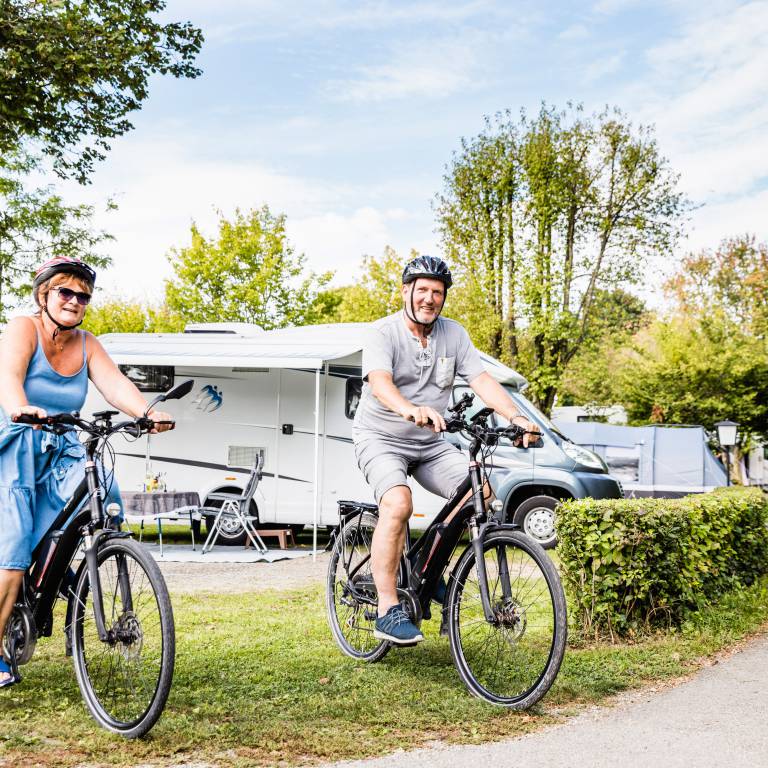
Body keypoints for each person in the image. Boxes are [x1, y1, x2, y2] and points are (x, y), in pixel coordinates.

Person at [0, 257, 175, 688]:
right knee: (13, 549)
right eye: (66, 292)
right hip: (17, 442)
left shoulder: (87, 343)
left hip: (62, 445)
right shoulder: (24, 328)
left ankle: (76, 566)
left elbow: (115, 385)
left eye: (83, 296)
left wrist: (146, 412)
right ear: (44, 295)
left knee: (104, 493)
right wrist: (18, 406)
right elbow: (7, 374)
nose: (75, 301)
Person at [353, 255, 540, 645]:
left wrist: (516, 417)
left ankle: (429, 571)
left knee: (481, 495)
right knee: (398, 504)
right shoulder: (382, 333)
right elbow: (380, 382)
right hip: (381, 437)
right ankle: (388, 609)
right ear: (406, 291)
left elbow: (482, 379)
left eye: (437, 292)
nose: (429, 298)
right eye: (422, 290)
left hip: (430, 443)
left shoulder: (453, 335)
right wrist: (408, 408)